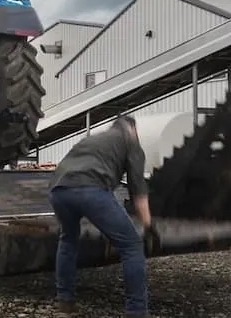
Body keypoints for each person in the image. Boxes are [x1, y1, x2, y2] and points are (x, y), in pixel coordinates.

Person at [47, 115, 153, 317]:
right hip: (91, 190)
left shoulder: (92, 139)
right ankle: (137, 311)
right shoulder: (130, 142)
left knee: (68, 239)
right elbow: (138, 189)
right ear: (132, 130)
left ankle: (65, 301)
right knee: (131, 245)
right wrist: (148, 225)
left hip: (58, 189)